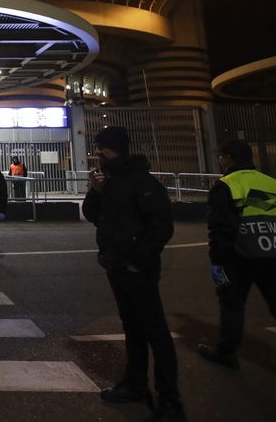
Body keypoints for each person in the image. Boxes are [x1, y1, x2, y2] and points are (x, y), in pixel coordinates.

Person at [82, 126, 186, 422]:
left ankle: (170, 401)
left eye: (102, 149)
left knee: (156, 332)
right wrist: (96, 191)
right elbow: (92, 215)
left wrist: (137, 261)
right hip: (116, 265)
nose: (97, 154)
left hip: (137, 270)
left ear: (115, 149)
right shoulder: (109, 181)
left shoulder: (142, 181)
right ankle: (135, 384)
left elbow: (161, 226)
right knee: (132, 327)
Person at [198, 139, 276, 369]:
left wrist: (217, 264)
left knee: (232, 303)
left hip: (240, 256)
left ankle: (226, 352)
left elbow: (220, 229)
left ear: (229, 158)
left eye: (221, 157)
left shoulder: (226, 185)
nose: (220, 161)